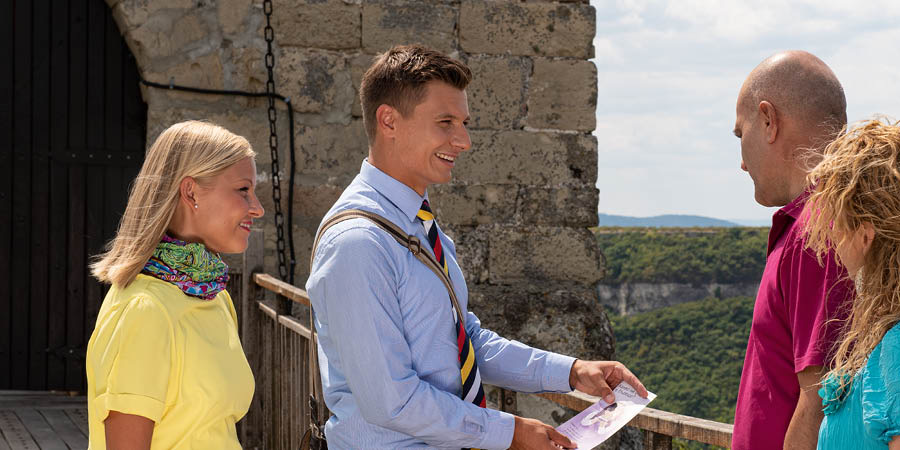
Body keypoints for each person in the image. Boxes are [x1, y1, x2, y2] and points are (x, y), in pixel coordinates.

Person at [305, 44, 647, 450]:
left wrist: (572, 372)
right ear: (389, 121)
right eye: (445, 122)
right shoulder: (358, 243)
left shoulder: (415, 223)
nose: (463, 140)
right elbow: (390, 402)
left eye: (464, 122)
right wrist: (510, 432)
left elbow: (462, 341)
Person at [85, 121, 264, 449]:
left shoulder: (215, 297)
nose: (257, 207)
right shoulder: (146, 311)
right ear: (191, 191)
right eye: (243, 190)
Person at [731, 50, 855, 449]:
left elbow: (821, 398)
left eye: (741, 133)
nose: (743, 164)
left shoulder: (815, 231)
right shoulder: (843, 219)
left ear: (769, 121)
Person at [801, 118, 900, 450]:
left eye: (838, 223)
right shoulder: (886, 335)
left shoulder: (896, 348)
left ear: (866, 236)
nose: (831, 238)